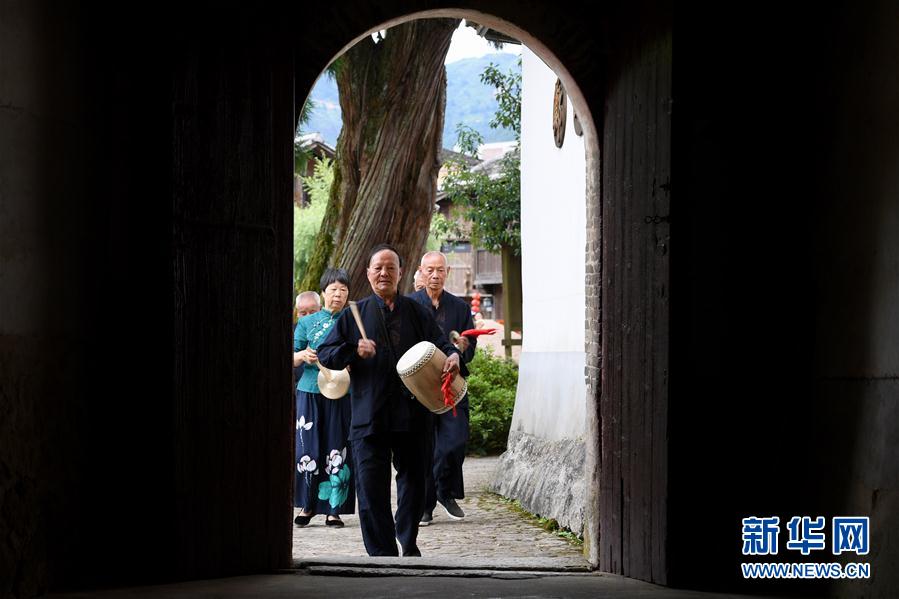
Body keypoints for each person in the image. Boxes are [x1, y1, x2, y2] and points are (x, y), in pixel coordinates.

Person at [317, 244, 461, 556]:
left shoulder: (416, 312)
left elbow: (441, 343)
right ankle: (382, 554)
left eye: (390, 268)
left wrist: (453, 355)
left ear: (401, 273)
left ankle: (408, 541)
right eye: (378, 268)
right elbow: (326, 354)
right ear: (368, 273)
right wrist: (354, 350)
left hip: (412, 413)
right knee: (371, 489)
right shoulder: (353, 315)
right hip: (370, 414)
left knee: (415, 483)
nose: (384, 273)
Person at [408, 251, 476, 525]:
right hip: (420, 386)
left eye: (440, 270)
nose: (435, 275)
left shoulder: (460, 308)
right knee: (424, 447)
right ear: (421, 271)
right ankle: (426, 505)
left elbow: (470, 347)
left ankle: (443, 491)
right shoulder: (410, 305)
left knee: (455, 441)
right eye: (430, 270)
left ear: (447, 272)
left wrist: (462, 350)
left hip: (452, 384)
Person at [293, 269, 355, 528]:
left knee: (337, 448)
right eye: (333, 290)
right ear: (323, 293)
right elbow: (291, 355)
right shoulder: (307, 322)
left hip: (341, 392)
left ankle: (334, 510)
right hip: (309, 390)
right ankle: (307, 505)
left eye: (343, 290)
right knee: (307, 448)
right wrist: (302, 356)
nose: (338, 295)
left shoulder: (352, 321)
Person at [293, 291, 322, 383]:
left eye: (312, 312)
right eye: (303, 313)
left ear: (321, 309)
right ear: (297, 313)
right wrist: (301, 355)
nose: (308, 318)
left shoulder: (331, 328)